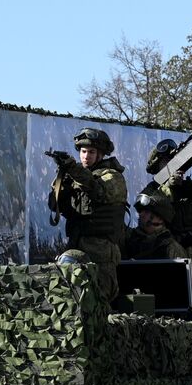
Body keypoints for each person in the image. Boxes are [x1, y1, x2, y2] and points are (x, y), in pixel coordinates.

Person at [47, 128, 128, 305]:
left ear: (101, 154)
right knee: (71, 300)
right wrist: (64, 180)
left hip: (101, 250)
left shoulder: (113, 176)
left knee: (99, 298)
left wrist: (73, 170)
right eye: (83, 152)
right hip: (75, 247)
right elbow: (54, 205)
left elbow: (98, 191)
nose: (86, 156)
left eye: (91, 152)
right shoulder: (75, 175)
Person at [144, 140, 192, 309]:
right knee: (174, 298)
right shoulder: (150, 190)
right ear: (158, 167)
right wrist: (169, 186)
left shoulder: (189, 187)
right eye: (167, 162)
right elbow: (153, 210)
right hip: (169, 251)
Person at [125, 193, 188, 261]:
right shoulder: (131, 238)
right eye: (141, 211)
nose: (140, 214)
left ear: (160, 219)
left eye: (146, 212)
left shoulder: (171, 248)